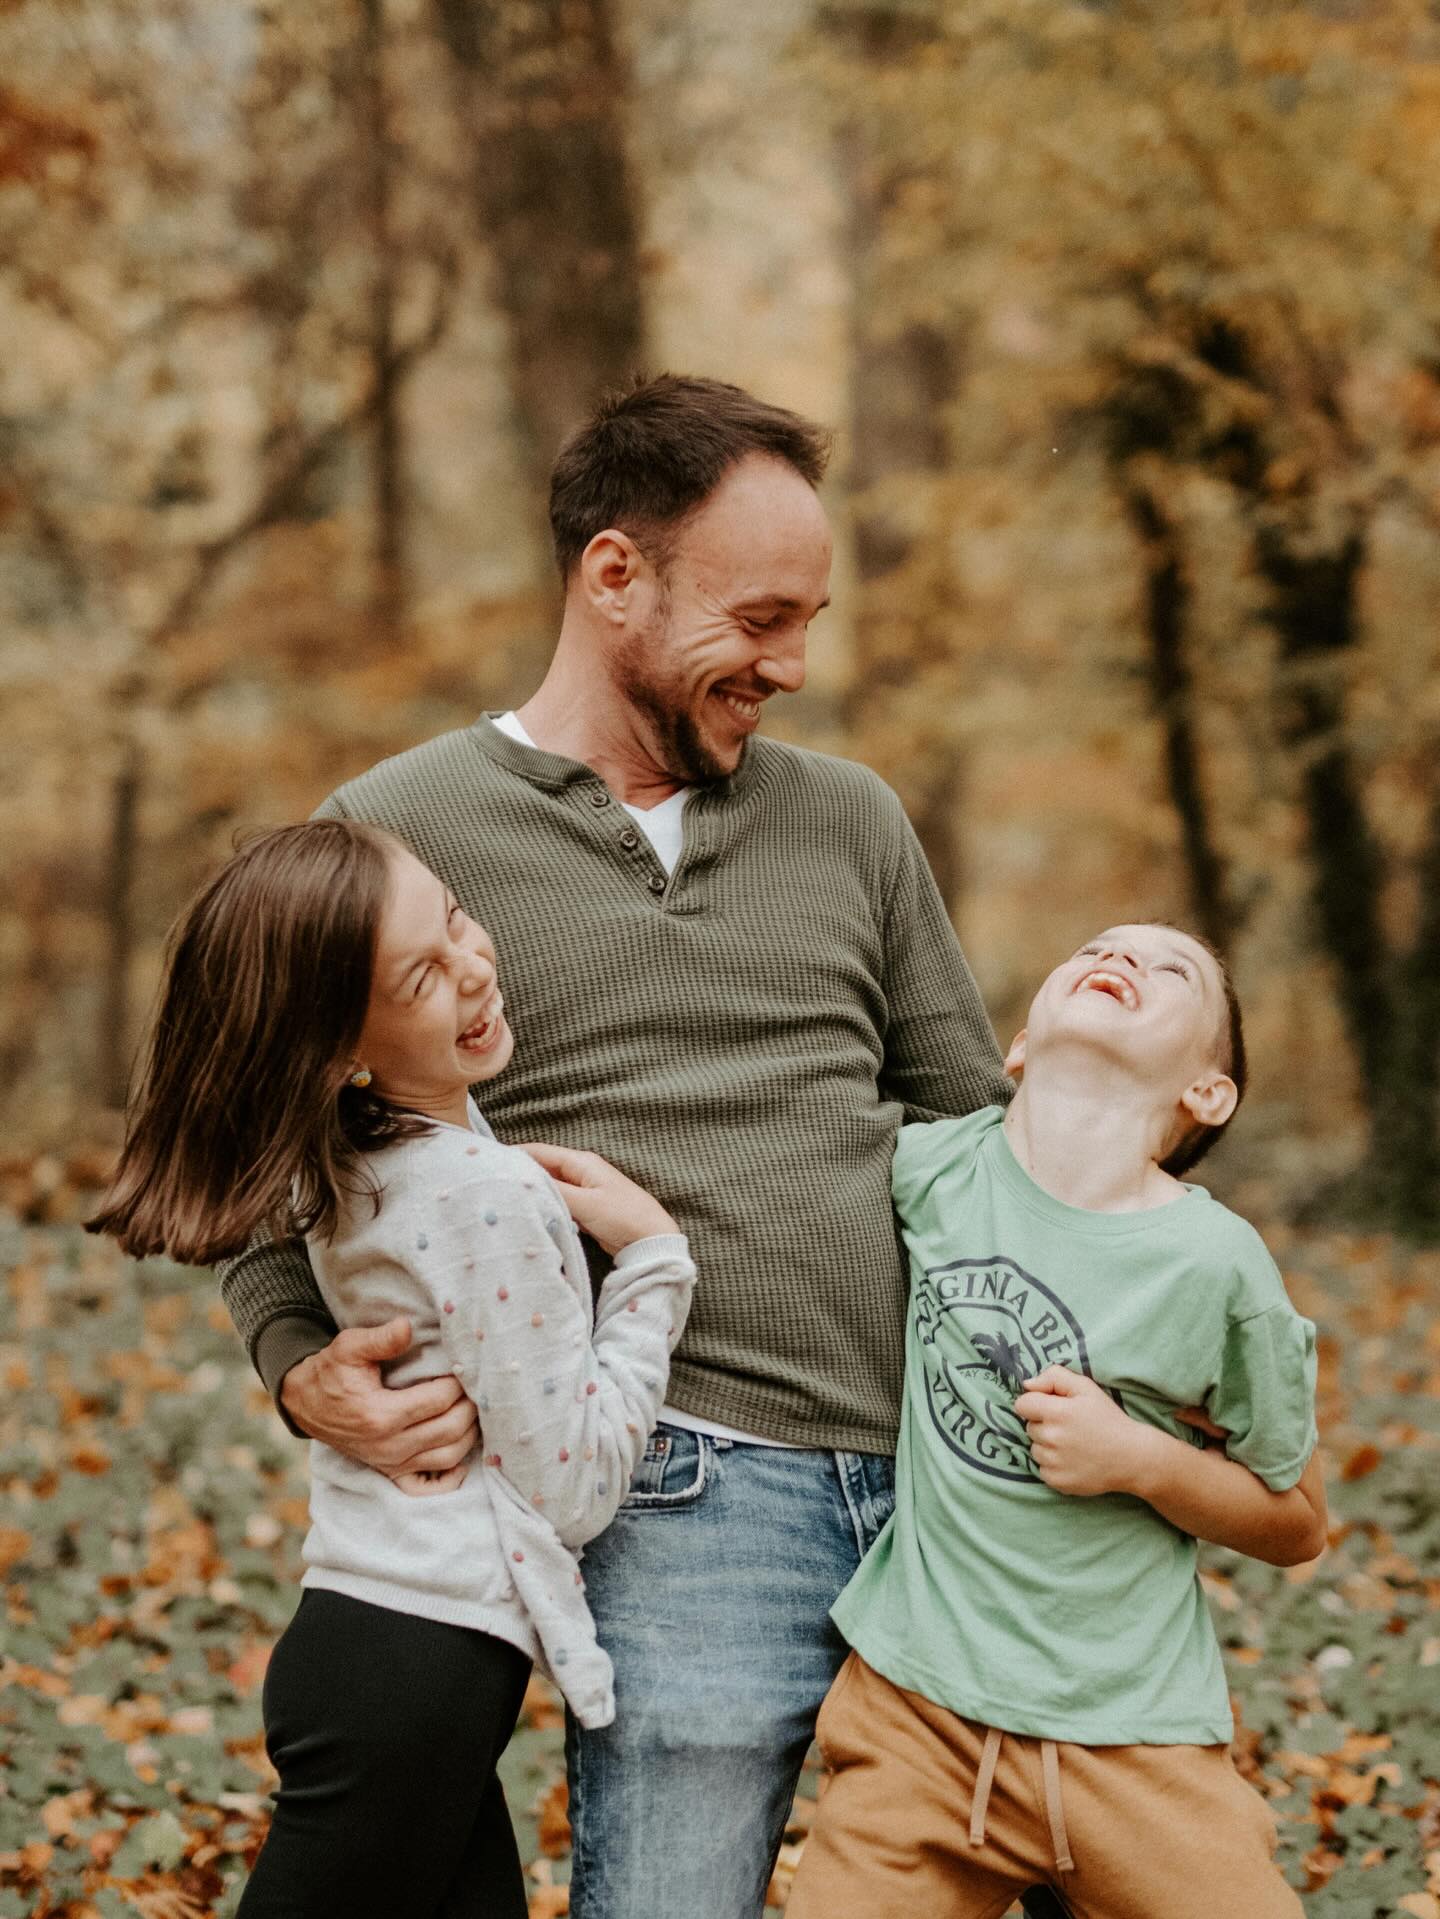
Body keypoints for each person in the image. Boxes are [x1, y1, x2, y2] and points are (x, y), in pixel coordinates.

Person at [216, 375, 1229, 1918]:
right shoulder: (400, 831)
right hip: (684, 1479)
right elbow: (249, 1146)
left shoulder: (854, 820)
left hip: (965, 1470)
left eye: (809, 618)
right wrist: (297, 1355)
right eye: (759, 617)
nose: (795, 664)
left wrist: (1158, 1328)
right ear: (613, 574)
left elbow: (985, 1127)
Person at [88, 819, 695, 1919]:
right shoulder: (475, 1191)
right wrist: (652, 1266)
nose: (472, 965)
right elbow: (574, 1483)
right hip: (416, 1662)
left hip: (382, 1646)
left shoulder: (362, 1163)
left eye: (457, 918)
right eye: (424, 971)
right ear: (343, 1052)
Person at [786, 922, 1326, 1919]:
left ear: (1205, 1092)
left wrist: (1142, 1459)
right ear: (1021, 1046)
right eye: (1091, 947)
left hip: (1134, 1738)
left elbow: (1296, 1517)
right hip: (921, 1722)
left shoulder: (1215, 1264)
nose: (1118, 958)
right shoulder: (933, 1170)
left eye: (1170, 971)